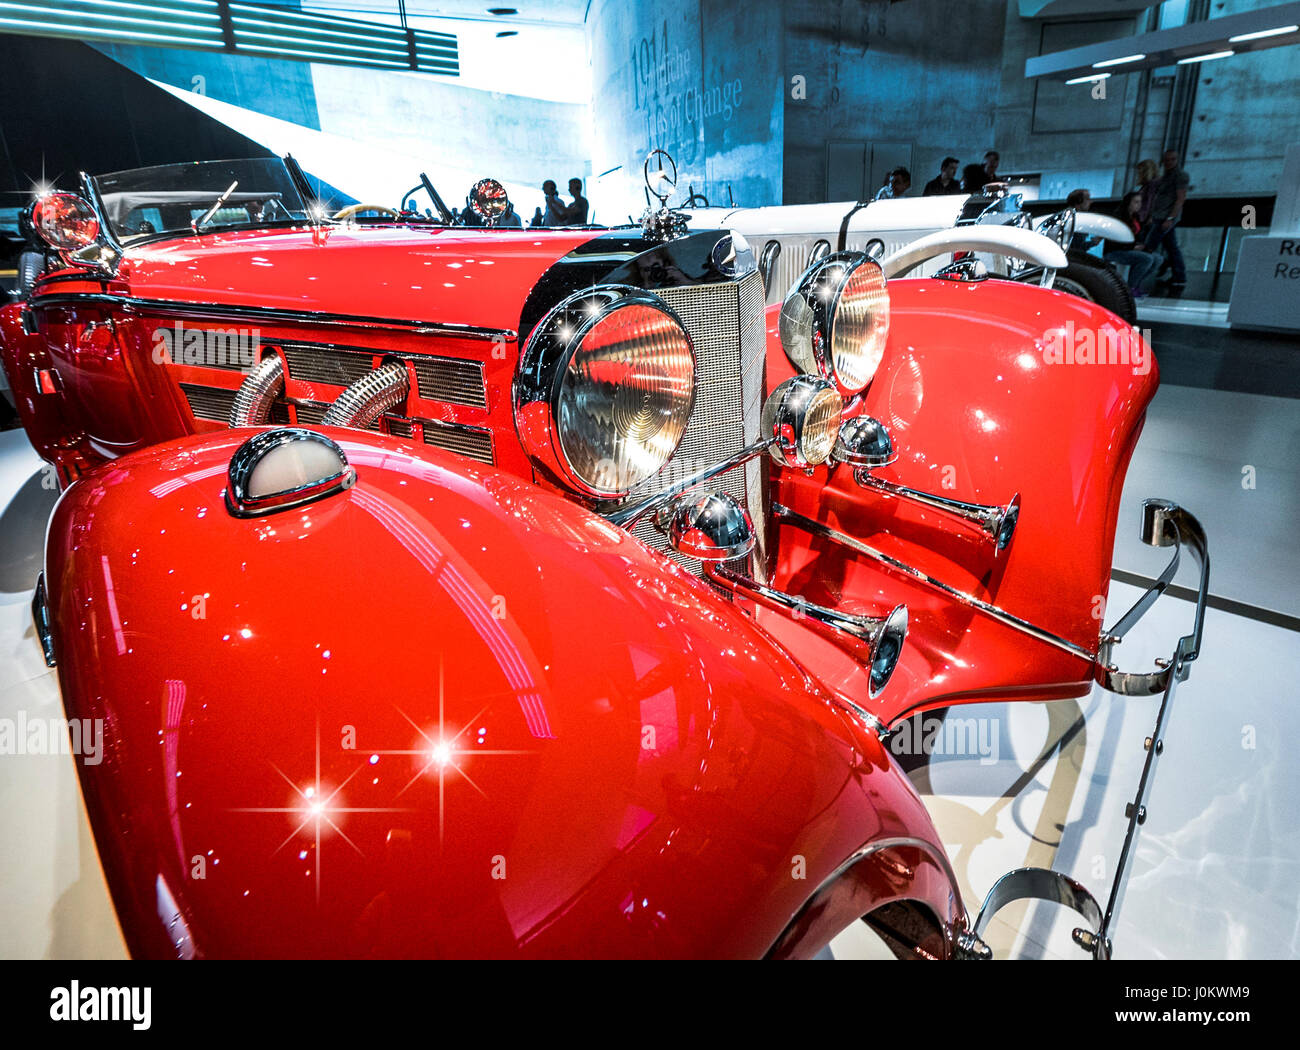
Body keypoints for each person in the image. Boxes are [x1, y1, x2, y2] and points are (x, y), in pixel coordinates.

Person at [1142, 149, 1190, 293]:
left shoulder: (1180, 176)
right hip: (1160, 216)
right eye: (1167, 160)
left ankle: (1176, 276)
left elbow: (1180, 198)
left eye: (1172, 160)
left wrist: (1170, 218)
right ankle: (1178, 276)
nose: (1169, 162)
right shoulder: (1165, 177)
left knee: (1150, 246)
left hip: (1165, 217)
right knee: (1171, 247)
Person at [1103, 191, 1160, 298]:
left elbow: (1136, 237)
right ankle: (1130, 288)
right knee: (1146, 259)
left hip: (1129, 248)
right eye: (1136, 202)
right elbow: (1114, 240)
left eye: (1140, 202)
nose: (1138, 205)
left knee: (1157, 259)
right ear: (1128, 203)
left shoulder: (1135, 218)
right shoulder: (1119, 218)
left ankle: (1137, 285)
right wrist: (1133, 247)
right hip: (1116, 250)